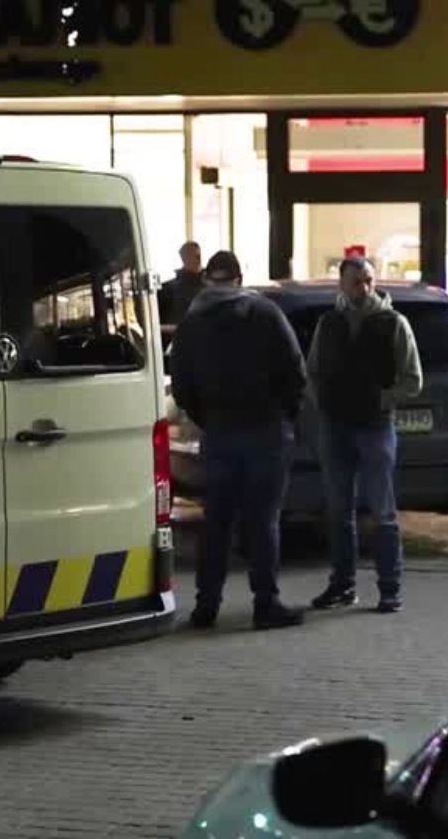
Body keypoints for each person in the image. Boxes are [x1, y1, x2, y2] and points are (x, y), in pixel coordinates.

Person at [170, 250, 306, 631]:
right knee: (263, 521)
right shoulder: (265, 314)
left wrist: (208, 419)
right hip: (266, 432)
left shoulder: (193, 322)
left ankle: (206, 607)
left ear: (206, 279)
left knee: (216, 523)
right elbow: (295, 371)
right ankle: (266, 603)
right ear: (239, 278)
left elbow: (181, 386)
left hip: (219, 434)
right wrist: (285, 416)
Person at [307, 257, 422, 614]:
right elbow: (313, 371)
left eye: (369, 280)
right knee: (339, 511)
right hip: (336, 426)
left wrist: (380, 400)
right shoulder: (329, 323)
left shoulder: (393, 323)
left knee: (382, 511)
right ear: (341, 283)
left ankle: (390, 588)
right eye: (357, 281)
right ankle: (342, 585)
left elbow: (413, 379)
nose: (365, 287)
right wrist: (325, 402)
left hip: (375, 426)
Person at [159, 241, 204, 347]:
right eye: (192, 256)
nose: (197, 260)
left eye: (198, 256)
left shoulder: (212, 286)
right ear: (183, 258)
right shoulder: (167, 289)